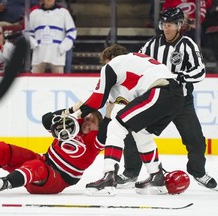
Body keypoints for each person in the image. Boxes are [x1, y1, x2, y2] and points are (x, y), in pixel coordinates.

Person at [118, 7, 217, 190]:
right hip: (155, 100)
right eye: (164, 24)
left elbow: (200, 71)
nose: (166, 28)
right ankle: (131, 171)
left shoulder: (188, 44)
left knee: (195, 140)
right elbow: (137, 64)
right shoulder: (151, 45)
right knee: (134, 131)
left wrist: (179, 77)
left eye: (170, 24)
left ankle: (198, 172)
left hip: (181, 102)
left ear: (180, 25)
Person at [0, 102, 114, 195]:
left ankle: (8, 182)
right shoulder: (75, 124)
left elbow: (105, 132)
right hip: (43, 161)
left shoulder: (94, 141)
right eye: (87, 119)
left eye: (93, 122)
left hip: (57, 180)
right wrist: (74, 109)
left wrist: (108, 112)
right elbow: (46, 120)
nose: (88, 123)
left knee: (36, 166)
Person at [76, 44, 184, 195]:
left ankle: (109, 176)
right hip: (175, 96)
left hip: (160, 92)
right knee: (141, 132)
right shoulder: (134, 65)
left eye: (105, 63)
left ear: (111, 59)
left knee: (116, 126)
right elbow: (128, 101)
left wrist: (75, 112)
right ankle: (156, 175)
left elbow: (98, 99)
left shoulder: (114, 64)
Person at [27, 0, 77, 73]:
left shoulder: (63, 13)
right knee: (35, 82)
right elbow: (28, 32)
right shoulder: (34, 14)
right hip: (39, 55)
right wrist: (34, 44)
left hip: (57, 55)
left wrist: (63, 47)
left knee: (58, 82)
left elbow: (72, 31)